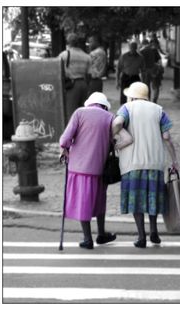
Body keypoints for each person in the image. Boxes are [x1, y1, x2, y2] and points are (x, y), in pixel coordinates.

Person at [112, 82, 179, 248]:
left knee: (136, 201)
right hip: (155, 162)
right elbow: (166, 136)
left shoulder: (126, 108)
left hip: (132, 163)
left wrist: (115, 135)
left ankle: (141, 237)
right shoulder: (158, 110)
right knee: (152, 198)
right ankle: (154, 231)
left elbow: (117, 123)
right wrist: (174, 160)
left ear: (132, 96)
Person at [59, 92, 116, 249]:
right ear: (104, 105)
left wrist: (64, 149)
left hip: (78, 167)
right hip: (99, 167)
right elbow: (114, 142)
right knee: (99, 201)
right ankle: (102, 233)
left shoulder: (79, 113)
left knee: (83, 202)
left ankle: (87, 238)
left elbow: (65, 139)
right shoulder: (110, 117)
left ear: (89, 103)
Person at [59, 33, 92, 123]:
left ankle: (72, 133)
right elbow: (89, 74)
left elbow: (58, 71)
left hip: (71, 85)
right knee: (83, 110)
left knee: (71, 111)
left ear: (68, 42)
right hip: (83, 83)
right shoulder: (86, 56)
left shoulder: (64, 55)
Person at [116, 41, 145, 105]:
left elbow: (143, 71)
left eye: (134, 47)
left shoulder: (140, 57)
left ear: (136, 48)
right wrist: (117, 81)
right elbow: (118, 69)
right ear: (129, 48)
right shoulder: (124, 56)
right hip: (125, 77)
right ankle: (123, 107)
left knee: (135, 95)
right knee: (124, 95)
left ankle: (133, 107)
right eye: (132, 47)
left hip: (135, 77)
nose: (133, 49)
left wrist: (143, 82)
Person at [140, 39, 163, 103]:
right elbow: (159, 60)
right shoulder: (154, 50)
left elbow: (140, 62)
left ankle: (147, 99)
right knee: (156, 86)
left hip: (145, 71)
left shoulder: (142, 51)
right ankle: (155, 99)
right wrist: (160, 68)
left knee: (146, 86)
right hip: (154, 70)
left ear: (143, 44)